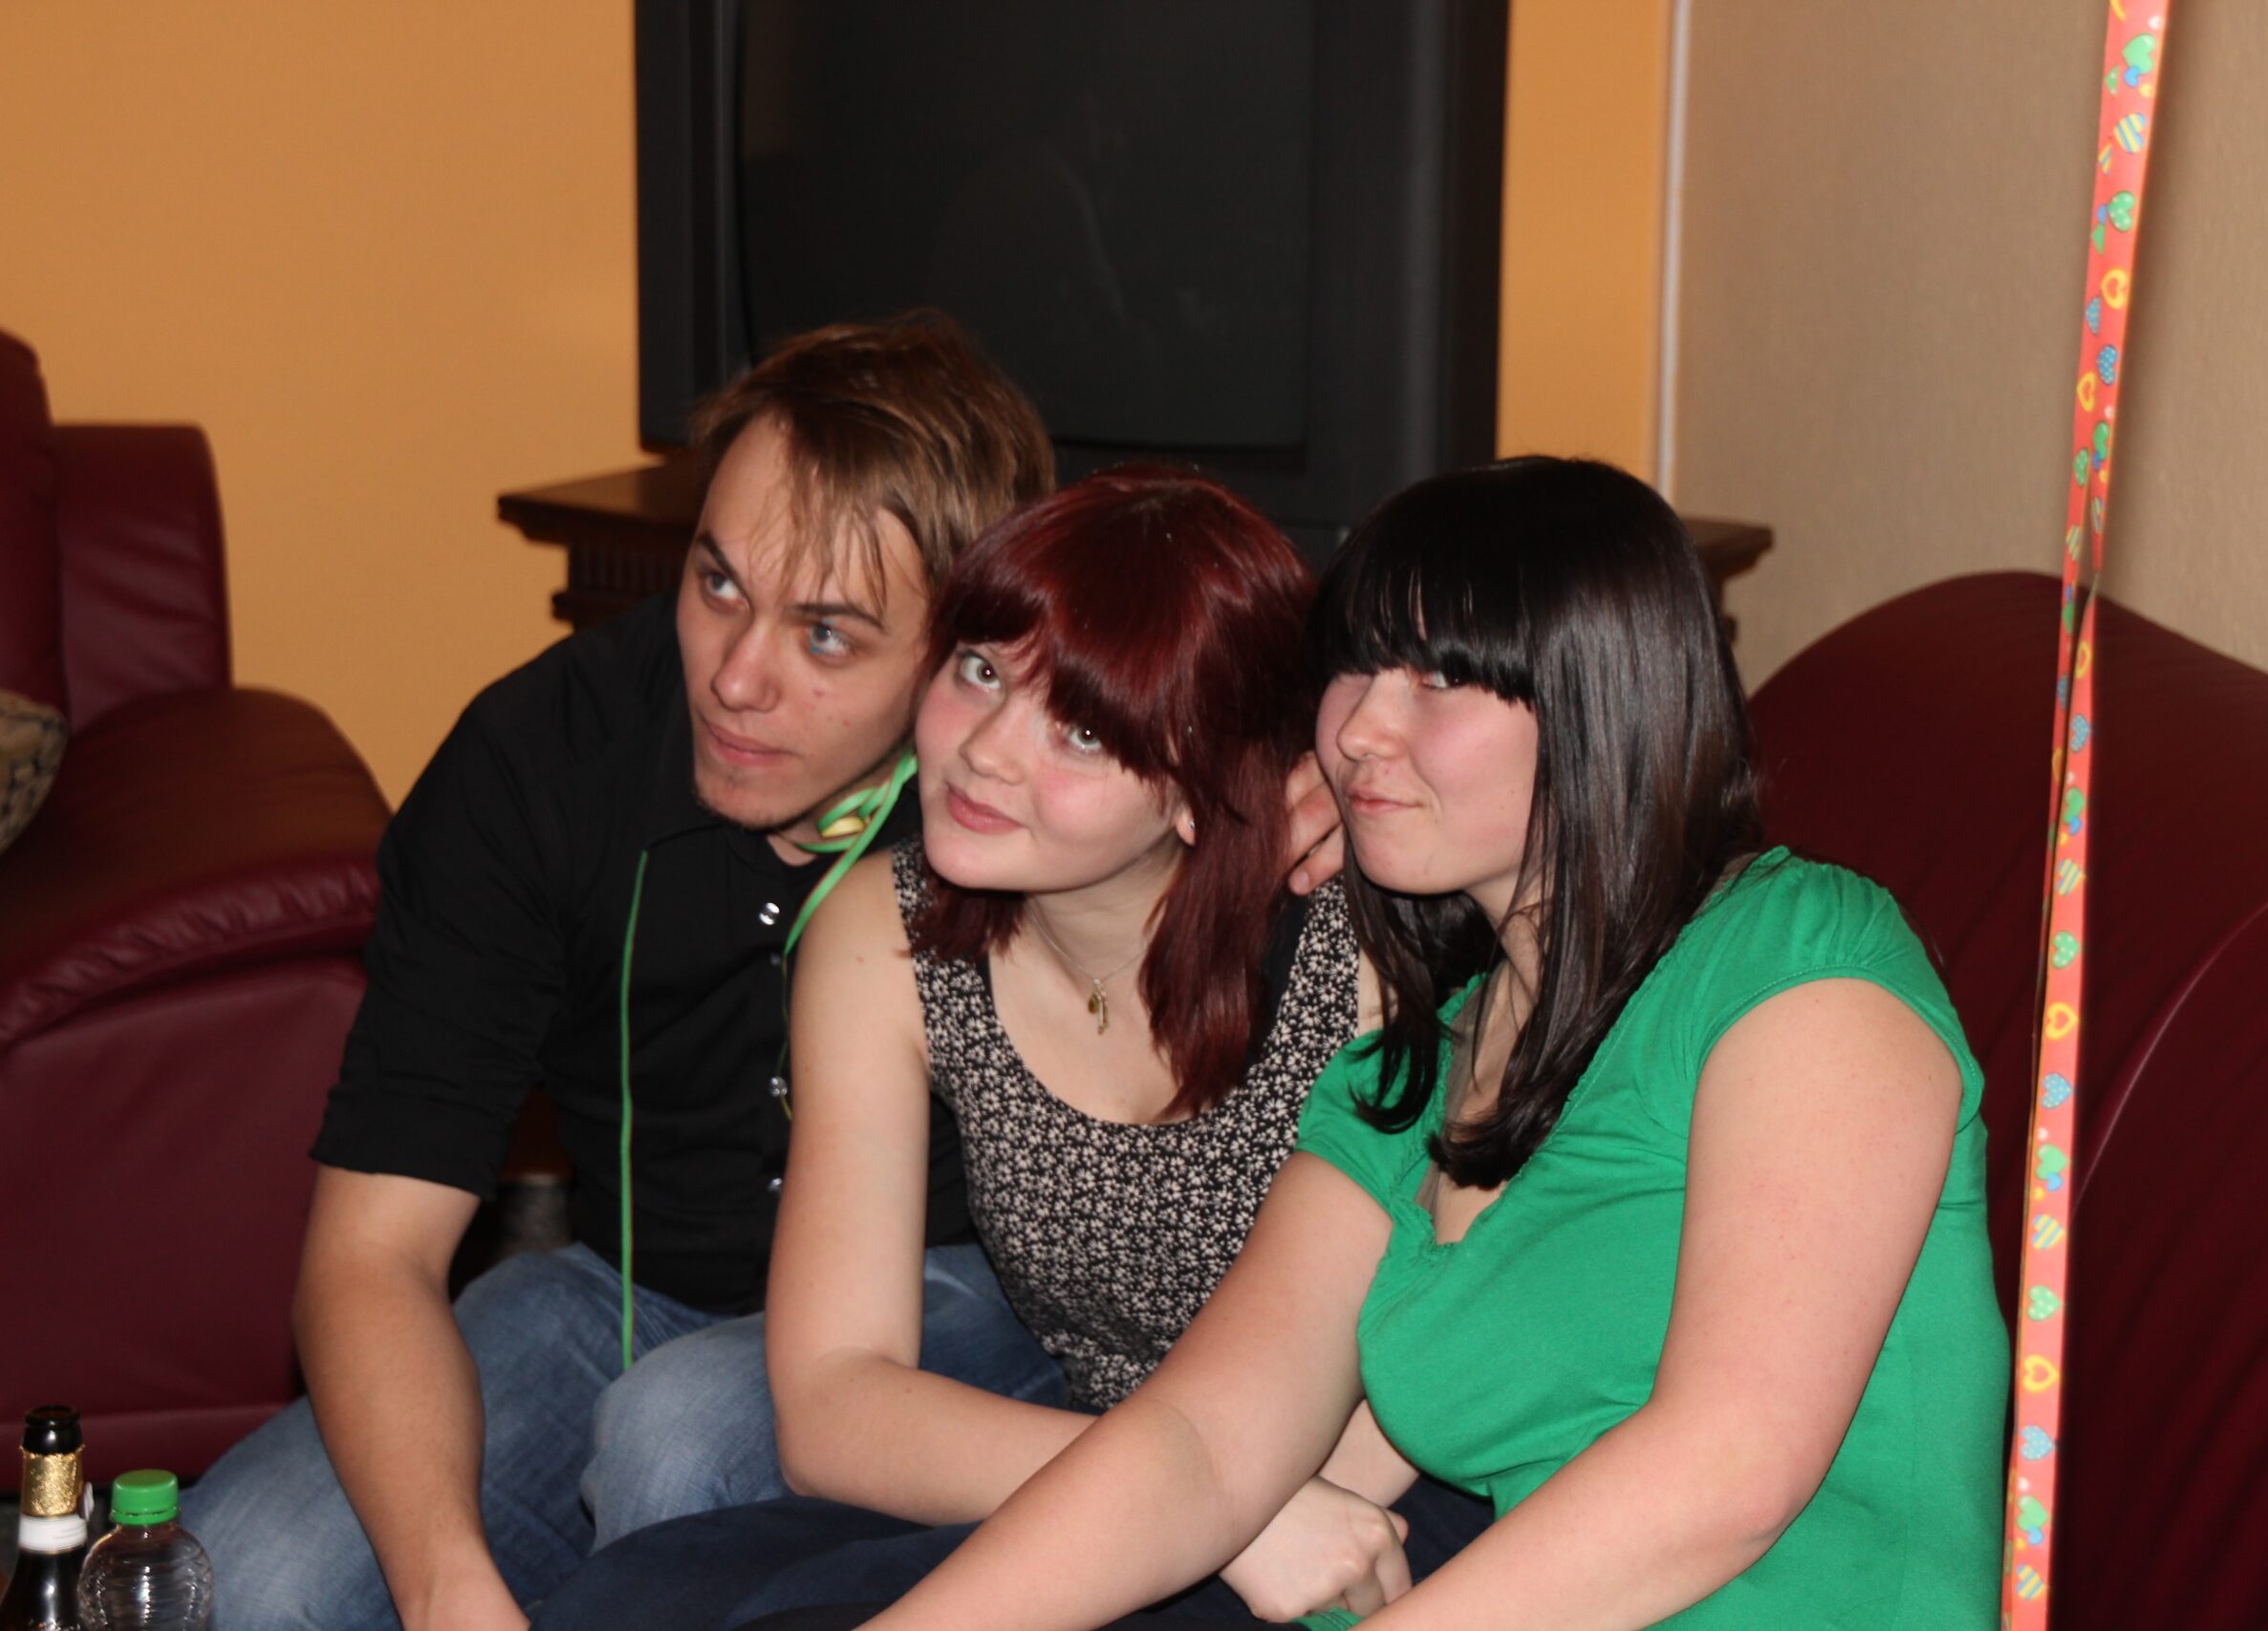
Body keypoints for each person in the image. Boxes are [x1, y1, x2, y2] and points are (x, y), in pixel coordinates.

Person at [181, 316, 1346, 1631]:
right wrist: (444, 1582)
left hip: (965, 1297)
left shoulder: (1009, 787)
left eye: (828, 636)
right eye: (716, 583)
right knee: (242, 1575)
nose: (735, 678)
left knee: (681, 1441)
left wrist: (1319, 785)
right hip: (619, 1289)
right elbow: (372, 1253)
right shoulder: (537, 762)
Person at [776, 457, 2010, 1631]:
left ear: (1600, 702)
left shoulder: (1796, 958)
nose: (1358, 728)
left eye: (1435, 680)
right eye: (1357, 667)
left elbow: (1725, 1470)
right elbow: (1198, 1446)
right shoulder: (1407, 1074)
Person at [532, 468, 1491, 1631]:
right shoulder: (885, 936)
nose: (985, 751)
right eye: (980, 671)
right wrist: (1192, 1507)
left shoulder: (1364, 963)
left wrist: (1239, 1512)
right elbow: (832, 1403)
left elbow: (1459, 1348)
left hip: (1382, 1488)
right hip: (1140, 1471)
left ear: (1199, 789)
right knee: (633, 1600)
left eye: (1080, 731)